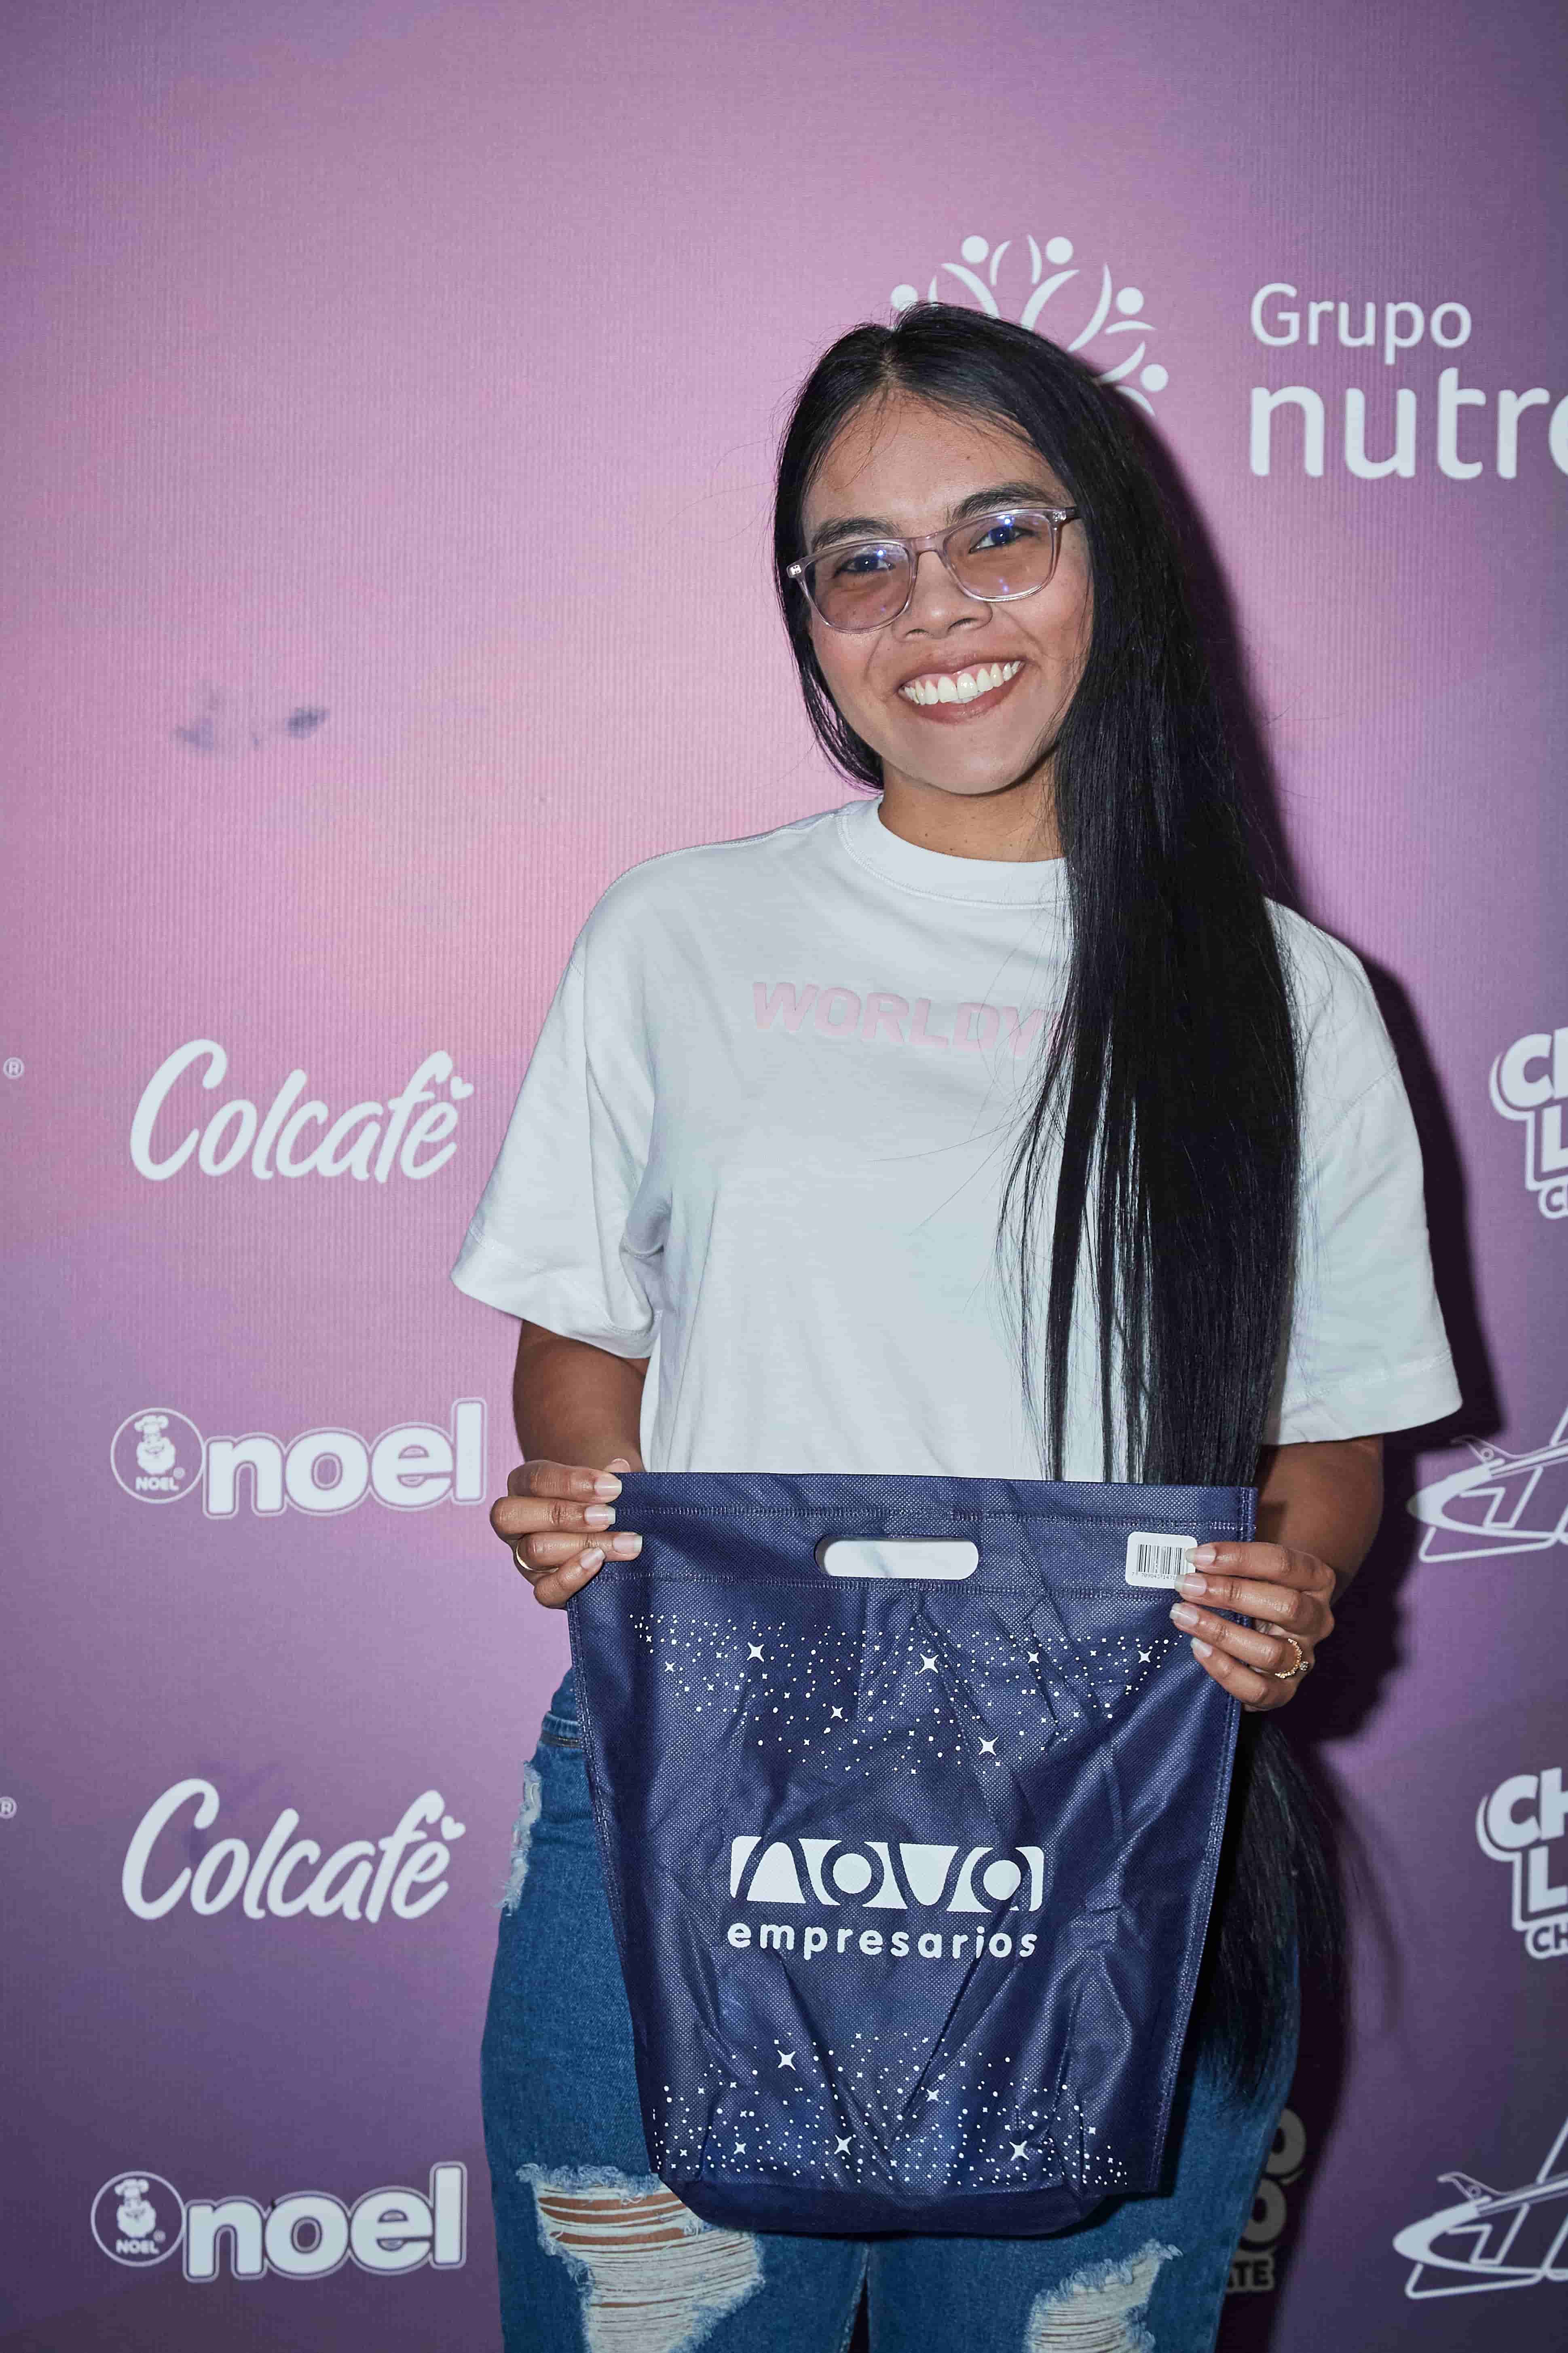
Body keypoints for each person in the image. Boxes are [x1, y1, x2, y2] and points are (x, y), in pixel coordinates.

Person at [452, 304, 1458, 2352]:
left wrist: (1291, 1584)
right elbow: (582, 1335)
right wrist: (586, 1490)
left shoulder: (1288, 998)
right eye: (863, 560)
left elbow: (1329, 1433)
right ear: (808, 618)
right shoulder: (678, 933)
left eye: (1002, 531)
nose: (936, 608)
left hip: (1118, 1837)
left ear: (1113, 561)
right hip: (690, 1800)